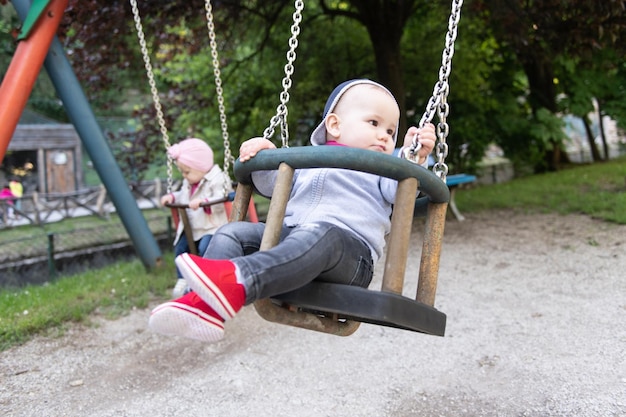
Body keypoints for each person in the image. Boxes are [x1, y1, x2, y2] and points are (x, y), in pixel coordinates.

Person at [148, 79, 436, 343]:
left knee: (323, 235)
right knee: (232, 233)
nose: (384, 136)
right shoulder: (306, 162)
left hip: (349, 257)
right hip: (293, 243)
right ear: (334, 125)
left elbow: (401, 194)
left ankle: (237, 281)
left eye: (390, 131)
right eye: (374, 123)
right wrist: (261, 153)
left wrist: (414, 158)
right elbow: (272, 184)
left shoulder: (382, 170)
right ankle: (202, 307)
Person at [159, 138, 233, 297]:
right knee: (180, 248)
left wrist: (204, 202)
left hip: (212, 227)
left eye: (187, 172)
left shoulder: (218, 179)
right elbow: (183, 196)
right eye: (182, 172)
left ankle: (208, 280)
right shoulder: (189, 182)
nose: (184, 176)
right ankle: (183, 279)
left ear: (201, 167)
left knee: (205, 249)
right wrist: (172, 197)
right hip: (193, 226)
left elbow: (222, 198)